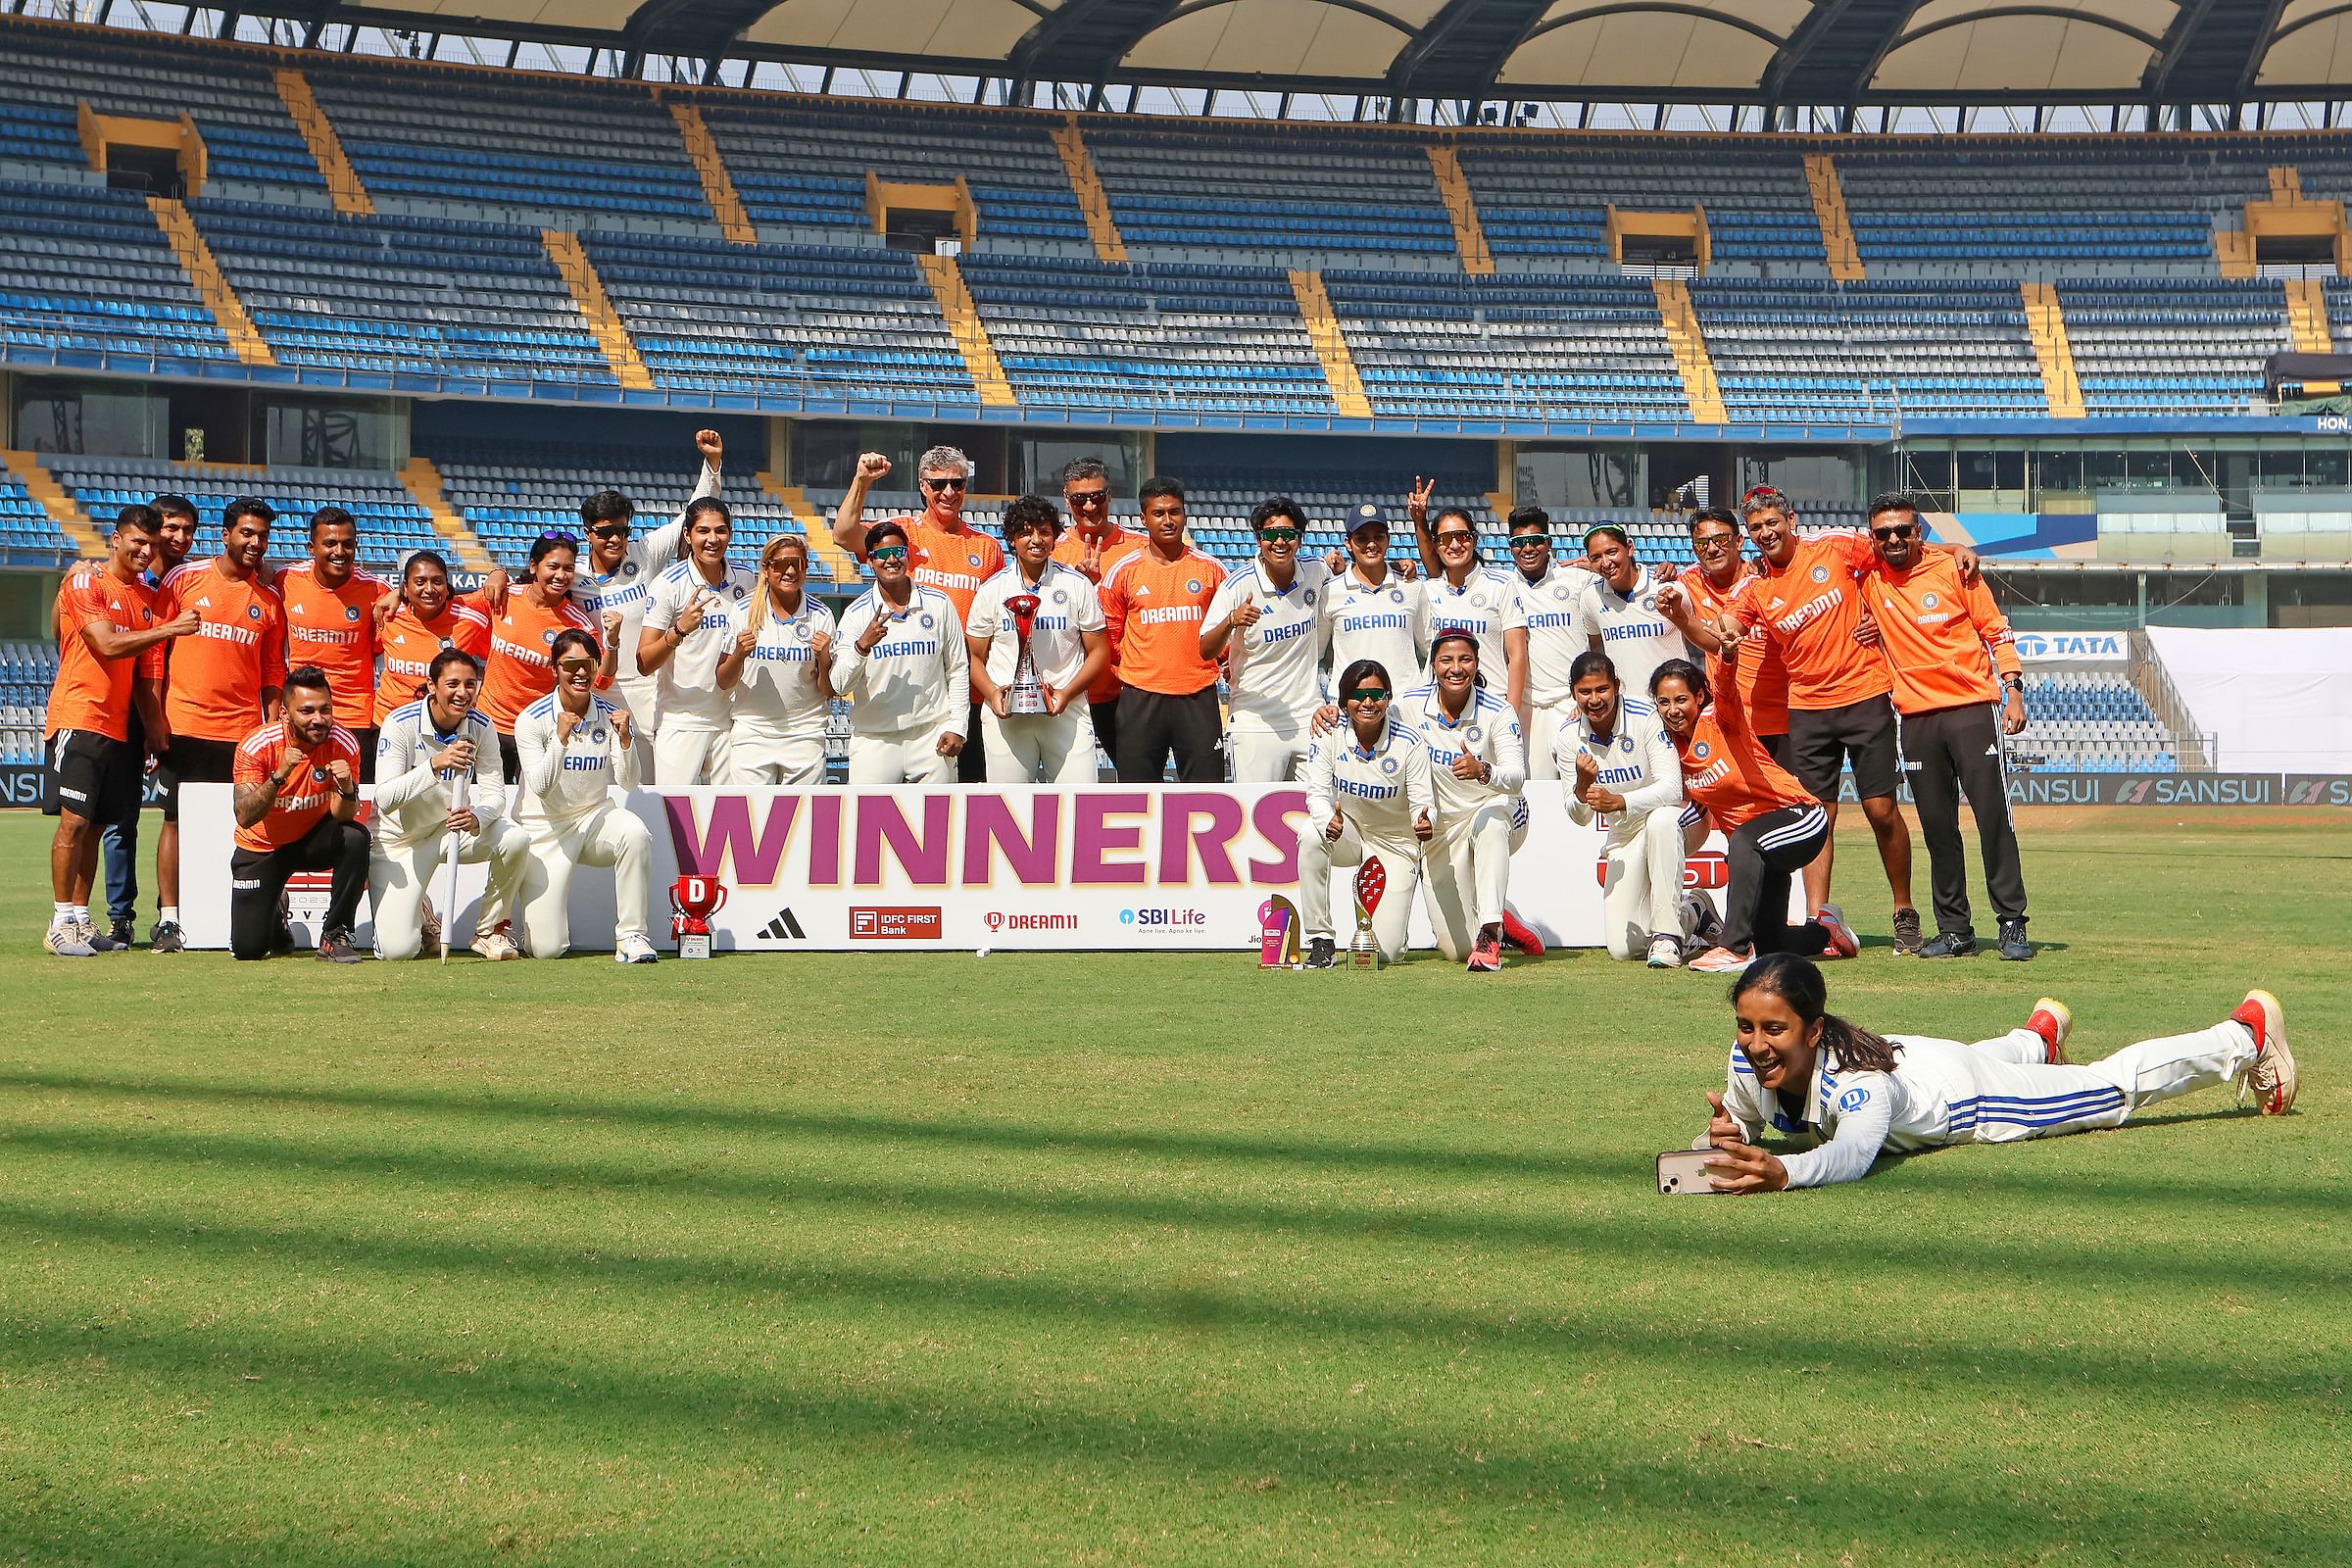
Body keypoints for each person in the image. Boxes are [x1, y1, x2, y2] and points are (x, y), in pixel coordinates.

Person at [1694, 956, 2297, 1192]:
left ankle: (2245, 1035)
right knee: (1986, 1053)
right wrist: (1729, 1137)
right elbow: (1742, 1122)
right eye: (1747, 1026)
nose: (1757, 1045)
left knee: (2109, 1090)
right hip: (1919, 1058)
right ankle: (2038, 1038)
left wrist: (1784, 1171)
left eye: (1775, 1029)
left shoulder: (1857, 1082)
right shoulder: (1745, 1061)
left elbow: (1852, 1155)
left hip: (1970, 1098)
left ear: (1813, 1031)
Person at [1713, 486, 1941, 953]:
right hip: (1807, 710)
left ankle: (1904, 911)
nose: (1765, 533)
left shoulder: (1833, 547)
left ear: (1791, 520)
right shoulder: (1756, 588)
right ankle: (1821, 923)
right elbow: (1727, 627)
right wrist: (1709, 627)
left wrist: (1951, 552)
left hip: (1865, 695)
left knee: (1881, 811)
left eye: (1772, 522)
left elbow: (1894, 556)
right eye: (1756, 528)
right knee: (1818, 817)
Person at [1857, 493, 2034, 961]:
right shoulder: (1869, 578)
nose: (1894, 539)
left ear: (1919, 532)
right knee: (1938, 828)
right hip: (1915, 717)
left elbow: (1995, 630)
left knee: (1993, 819)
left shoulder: (1956, 569)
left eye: (1903, 530)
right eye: (1883, 533)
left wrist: (2013, 689)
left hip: (1972, 710)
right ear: (1872, 538)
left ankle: (2012, 924)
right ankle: (1955, 930)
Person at [44, 507, 192, 956]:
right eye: (138, 541)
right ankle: (59, 923)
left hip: (118, 726)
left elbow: (146, 676)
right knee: (74, 822)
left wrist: (154, 728)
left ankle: (80, 919)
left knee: (95, 826)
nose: (146, 551)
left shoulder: (144, 597)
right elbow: (106, 644)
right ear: (115, 539)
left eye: (152, 544)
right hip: (78, 716)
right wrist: (170, 628)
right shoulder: (86, 581)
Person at [1645, 653, 1853, 974]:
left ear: (1699, 696)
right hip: (1762, 847)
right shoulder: (1668, 745)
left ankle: (1734, 949)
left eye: (1681, 700)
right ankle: (1825, 930)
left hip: (1802, 817)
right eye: (1664, 702)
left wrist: (1727, 658)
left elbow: (1727, 691)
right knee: (1771, 943)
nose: (1673, 710)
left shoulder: (1719, 719)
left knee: (1743, 840)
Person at [155, 497, 286, 955]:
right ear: (226, 534)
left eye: (263, 536)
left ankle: (258, 915)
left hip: (242, 735)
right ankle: (169, 919)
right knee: (174, 822)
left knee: (252, 827)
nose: (255, 543)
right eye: (247, 533)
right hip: (184, 726)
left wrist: (272, 726)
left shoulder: (269, 600)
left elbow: (273, 671)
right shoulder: (183, 579)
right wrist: (155, 720)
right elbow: (156, 652)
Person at [834, 445, 1004, 782]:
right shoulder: (902, 534)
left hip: (967, 694)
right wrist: (862, 480)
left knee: (960, 802)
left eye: (957, 483)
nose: (948, 492)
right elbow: (843, 534)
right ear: (923, 486)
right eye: (938, 484)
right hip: (909, 694)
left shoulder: (987, 547)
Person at [573, 428, 724, 776]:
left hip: (648, 686)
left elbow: (691, 516)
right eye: (605, 532)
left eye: (622, 531)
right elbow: (534, 582)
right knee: (603, 781)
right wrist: (498, 575)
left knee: (651, 782)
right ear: (588, 533)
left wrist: (712, 464)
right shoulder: (574, 575)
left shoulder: (645, 554)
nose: (616, 539)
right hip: (598, 688)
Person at [370, 649, 530, 960]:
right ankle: (423, 913)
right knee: (397, 951)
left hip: (450, 832)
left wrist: (477, 817)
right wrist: (434, 766)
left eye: (470, 684)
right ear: (432, 686)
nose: (463, 692)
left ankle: (490, 931)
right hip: (398, 842)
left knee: (515, 839)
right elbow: (385, 799)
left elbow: (495, 795)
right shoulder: (400, 723)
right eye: (453, 683)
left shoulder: (481, 725)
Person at [513, 629, 658, 963]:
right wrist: (560, 740)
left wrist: (625, 740)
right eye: (570, 665)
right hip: (545, 829)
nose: (580, 673)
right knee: (546, 950)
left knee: (634, 832)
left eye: (588, 664)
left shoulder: (610, 714)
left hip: (593, 818)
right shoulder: (531, 719)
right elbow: (540, 787)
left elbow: (629, 782)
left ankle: (632, 936)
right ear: (554, 669)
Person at [95, 490, 198, 949]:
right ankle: (120, 916)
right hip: (130, 710)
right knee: (121, 817)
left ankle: (178, 913)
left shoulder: (186, 583)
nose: (178, 537)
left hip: (178, 713)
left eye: (187, 530)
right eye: (170, 527)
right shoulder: (117, 581)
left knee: (183, 816)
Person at [1400, 631, 1527, 972]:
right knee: (1456, 949)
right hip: (1443, 828)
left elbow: (1517, 776)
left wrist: (1483, 770)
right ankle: (1504, 917)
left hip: (1499, 811)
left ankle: (1490, 930)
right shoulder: (1409, 706)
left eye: (1465, 659)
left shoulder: (1498, 710)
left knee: (1490, 823)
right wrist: (1332, 713)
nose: (1456, 668)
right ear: (1433, 665)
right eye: (1446, 660)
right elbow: (1369, 718)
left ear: (1477, 663)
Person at [1297, 659, 1433, 969]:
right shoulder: (1328, 733)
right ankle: (1321, 940)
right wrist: (1327, 821)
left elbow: (1423, 802)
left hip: (1396, 844)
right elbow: (1316, 793)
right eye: (1358, 695)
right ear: (1344, 700)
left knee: (1384, 952)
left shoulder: (1409, 742)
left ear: (1388, 698)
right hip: (1351, 833)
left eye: (1377, 694)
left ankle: (1392, 931)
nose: (1368, 702)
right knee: (1310, 834)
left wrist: (1425, 821)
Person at [1556, 651, 1690, 967]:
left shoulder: (1646, 717)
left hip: (1672, 820)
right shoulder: (1567, 736)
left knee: (1661, 821)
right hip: (1624, 833)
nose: (1594, 700)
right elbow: (1578, 817)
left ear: (1616, 686)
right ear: (1573, 693)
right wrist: (1581, 786)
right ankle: (1694, 911)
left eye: (1602, 689)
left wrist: (1620, 802)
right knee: (1622, 948)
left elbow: (1673, 789)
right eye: (1585, 692)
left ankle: (1668, 936)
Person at [228, 665, 368, 962]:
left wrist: (346, 788)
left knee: (356, 838)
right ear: (284, 713)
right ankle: (276, 912)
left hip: (311, 840)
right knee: (248, 950)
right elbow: (244, 815)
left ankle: (335, 934)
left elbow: (342, 816)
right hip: (263, 848)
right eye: (306, 711)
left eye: (325, 710)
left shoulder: (343, 743)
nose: (318, 719)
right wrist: (278, 776)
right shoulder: (258, 745)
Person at [967, 496, 1108, 783]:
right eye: (1025, 532)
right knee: (1009, 804)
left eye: (1044, 531)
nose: (1036, 540)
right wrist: (993, 694)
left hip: (1066, 710)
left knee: (1078, 802)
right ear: (1012, 539)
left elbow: (1099, 652)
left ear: (1055, 537)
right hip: (1008, 715)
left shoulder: (1076, 585)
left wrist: (1067, 693)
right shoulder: (992, 590)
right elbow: (973, 657)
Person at [1099, 478, 1227, 783]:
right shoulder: (1123, 571)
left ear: (1184, 515)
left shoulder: (1211, 569)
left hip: (1198, 696)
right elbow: (1110, 637)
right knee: (1137, 796)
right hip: (1140, 699)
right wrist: (1141, 669)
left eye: (1174, 512)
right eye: (1158, 513)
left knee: (1207, 796)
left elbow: (1227, 634)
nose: (1168, 520)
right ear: (1144, 518)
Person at [1201, 497, 1332, 783]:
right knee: (1255, 808)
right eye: (1271, 534)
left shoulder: (1316, 570)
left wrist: (1401, 568)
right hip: (1255, 722)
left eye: (1288, 534)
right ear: (1259, 538)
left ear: (1300, 538)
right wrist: (1231, 620)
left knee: (1318, 806)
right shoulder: (1238, 586)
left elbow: (1349, 576)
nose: (1280, 542)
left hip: (1308, 717)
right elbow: (1205, 649)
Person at [832, 520, 968, 784]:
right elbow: (839, 685)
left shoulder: (938, 604)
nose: (892, 559)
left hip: (931, 735)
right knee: (867, 812)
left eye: (899, 552)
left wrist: (957, 726)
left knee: (940, 812)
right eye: (882, 554)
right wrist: (862, 647)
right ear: (869, 561)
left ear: (908, 555)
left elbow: (958, 669)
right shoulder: (856, 614)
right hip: (875, 739)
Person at [637, 496, 756, 786]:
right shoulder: (668, 584)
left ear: (730, 533)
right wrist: (679, 630)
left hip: (731, 721)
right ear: (687, 535)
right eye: (703, 531)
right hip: (681, 721)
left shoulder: (745, 580)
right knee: (674, 811)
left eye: (720, 531)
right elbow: (644, 662)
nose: (712, 539)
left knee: (730, 811)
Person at [477, 531, 612, 782]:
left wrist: (612, 643)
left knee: (536, 801)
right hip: (489, 726)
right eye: (553, 566)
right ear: (534, 566)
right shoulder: (504, 596)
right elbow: (450, 607)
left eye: (568, 569)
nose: (561, 575)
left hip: (538, 729)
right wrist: (497, 572)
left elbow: (602, 680)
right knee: (485, 800)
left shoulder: (577, 624)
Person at [273, 505, 391, 777]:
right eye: (330, 543)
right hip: (300, 715)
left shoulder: (377, 589)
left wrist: (400, 592)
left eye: (347, 544)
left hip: (354, 716)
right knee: (297, 796)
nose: (340, 551)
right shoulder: (286, 580)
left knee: (353, 796)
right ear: (311, 548)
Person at [1671, 507, 1789, 764]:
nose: (1712, 549)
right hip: (1730, 723)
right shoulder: (1687, 583)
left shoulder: (1765, 577)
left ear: (1739, 542)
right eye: (1702, 543)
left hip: (1784, 721)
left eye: (1721, 540)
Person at [1050, 457, 1146, 764]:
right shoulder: (1051, 551)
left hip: (1124, 691)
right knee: (1070, 781)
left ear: (1110, 495)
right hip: (1069, 691)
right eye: (1080, 499)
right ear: (1066, 499)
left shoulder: (1140, 549)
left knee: (1136, 778)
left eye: (1097, 497)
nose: (1090, 506)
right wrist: (1078, 587)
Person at [719, 534, 837, 785]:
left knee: (804, 809)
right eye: (782, 564)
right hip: (753, 732)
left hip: (805, 731)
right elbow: (723, 681)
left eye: (799, 564)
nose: (791, 571)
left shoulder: (821, 615)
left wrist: (824, 658)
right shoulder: (743, 611)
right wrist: (738, 654)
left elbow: (828, 690)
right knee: (751, 808)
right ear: (766, 569)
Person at [1406, 485, 1527, 715]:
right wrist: (1419, 521)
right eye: (1445, 539)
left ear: (1474, 540)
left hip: (1492, 703)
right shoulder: (1428, 590)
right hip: (1440, 707)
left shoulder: (1501, 585)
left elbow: (1517, 654)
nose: (1454, 545)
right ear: (1436, 545)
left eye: (1462, 536)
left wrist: (1511, 711)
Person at [1505, 505, 1592, 781]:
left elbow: (1621, 579)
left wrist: (1597, 567)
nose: (1528, 548)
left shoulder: (1577, 579)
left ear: (1549, 543)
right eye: (1519, 542)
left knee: (1581, 787)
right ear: (1510, 547)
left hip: (1572, 705)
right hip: (1530, 710)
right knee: (1536, 791)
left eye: (1535, 540)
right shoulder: (1503, 586)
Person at [1569, 523, 1686, 710]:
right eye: (1596, 557)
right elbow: (1595, 648)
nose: (1606, 563)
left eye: (1612, 552)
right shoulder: (1591, 598)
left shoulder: (1667, 588)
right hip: (1627, 710)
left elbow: (1698, 636)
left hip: (1671, 706)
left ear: (1629, 548)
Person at [372, 550, 492, 726]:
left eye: (437, 581)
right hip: (388, 722)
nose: (429, 589)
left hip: (445, 726)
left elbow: (497, 660)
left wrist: (499, 573)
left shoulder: (470, 622)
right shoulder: (388, 616)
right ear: (405, 587)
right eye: (420, 582)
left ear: (447, 584)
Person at [1320, 503, 1422, 693]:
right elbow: (1316, 653)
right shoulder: (1330, 591)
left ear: (1388, 540)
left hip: (1404, 701)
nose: (1372, 544)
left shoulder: (1412, 586)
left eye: (1378, 537)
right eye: (1362, 538)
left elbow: (1429, 647)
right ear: (1348, 543)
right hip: (1352, 701)